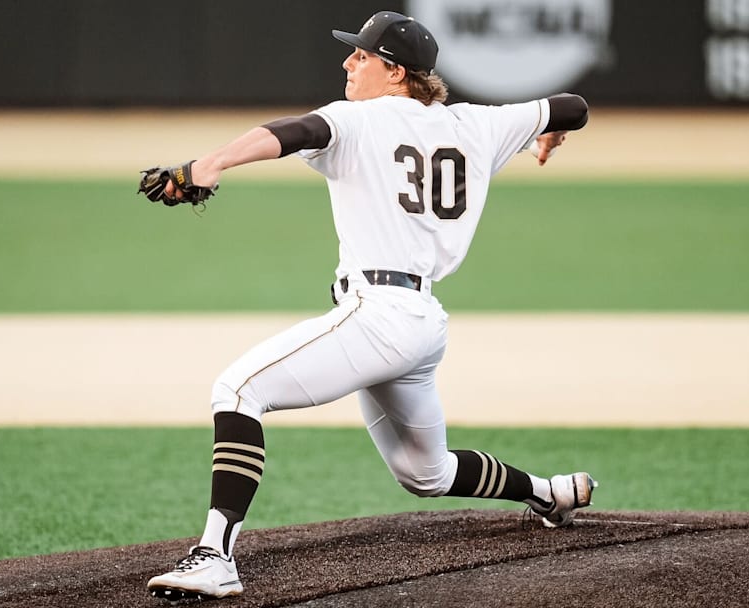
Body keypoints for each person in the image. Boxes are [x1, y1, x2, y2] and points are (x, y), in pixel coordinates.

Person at [143, 10, 594, 602]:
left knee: (237, 390)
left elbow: (291, 132)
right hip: (423, 322)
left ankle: (215, 556)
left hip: (378, 313)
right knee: (425, 474)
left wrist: (208, 165)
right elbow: (574, 106)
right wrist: (549, 129)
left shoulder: (358, 120)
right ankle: (549, 492)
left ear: (395, 71)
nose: (348, 63)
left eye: (361, 55)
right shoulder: (480, 125)